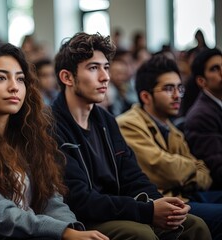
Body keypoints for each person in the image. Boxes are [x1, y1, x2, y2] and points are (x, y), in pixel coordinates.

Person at [0, 42, 109, 240]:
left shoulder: (27, 136)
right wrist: (64, 233)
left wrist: (72, 229)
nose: (14, 87)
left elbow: (50, 199)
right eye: (0, 78)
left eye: (20, 79)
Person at [51, 32, 211, 240]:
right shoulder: (52, 126)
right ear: (67, 77)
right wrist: (147, 211)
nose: (105, 77)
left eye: (106, 67)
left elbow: (132, 175)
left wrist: (159, 203)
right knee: (140, 235)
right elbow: (79, 200)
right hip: (82, 218)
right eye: (93, 68)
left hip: (119, 208)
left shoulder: (106, 120)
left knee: (194, 225)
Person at [116, 54, 222, 239]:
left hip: (186, 196)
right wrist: (191, 169)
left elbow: (205, 173)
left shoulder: (170, 128)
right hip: (163, 202)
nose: (177, 96)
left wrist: (186, 172)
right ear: (145, 96)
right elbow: (163, 168)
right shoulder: (128, 124)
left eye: (179, 88)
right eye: (168, 88)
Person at [184, 48, 222, 190]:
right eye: (214, 69)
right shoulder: (201, 116)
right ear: (201, 81)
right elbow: (217, 169)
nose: (221, 72)